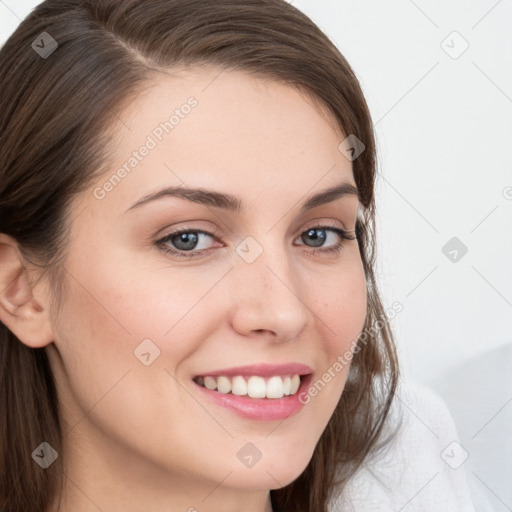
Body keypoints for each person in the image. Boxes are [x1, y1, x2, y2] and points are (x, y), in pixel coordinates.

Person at [0, 1, 436, 511]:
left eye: (318, 235)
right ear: (21, 290)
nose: (284, 312)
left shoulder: (422, 474)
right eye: (188, 239)